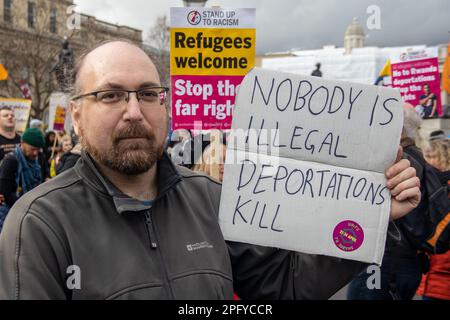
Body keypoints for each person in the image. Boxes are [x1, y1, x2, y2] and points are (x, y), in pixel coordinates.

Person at [0, 40, 420, 300]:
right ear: (76, 115)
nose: (133, 112)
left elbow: (287, 286)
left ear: (164, 103)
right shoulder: (39, 223)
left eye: (148, 94)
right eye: (110, 95)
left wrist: (370, 216)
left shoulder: (209, 198)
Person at [347, 106, 428, 300]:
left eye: (383, 120)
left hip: (384, 261)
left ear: (397, 129)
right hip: (406, 262)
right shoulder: (418, 158)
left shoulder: (402, 162)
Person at [417, 138, 450, 300]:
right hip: (431, 275)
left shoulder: (444, 189)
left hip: (442, 276)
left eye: (432, 156)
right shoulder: (431, 186)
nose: (428, 161)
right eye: (426, 156)